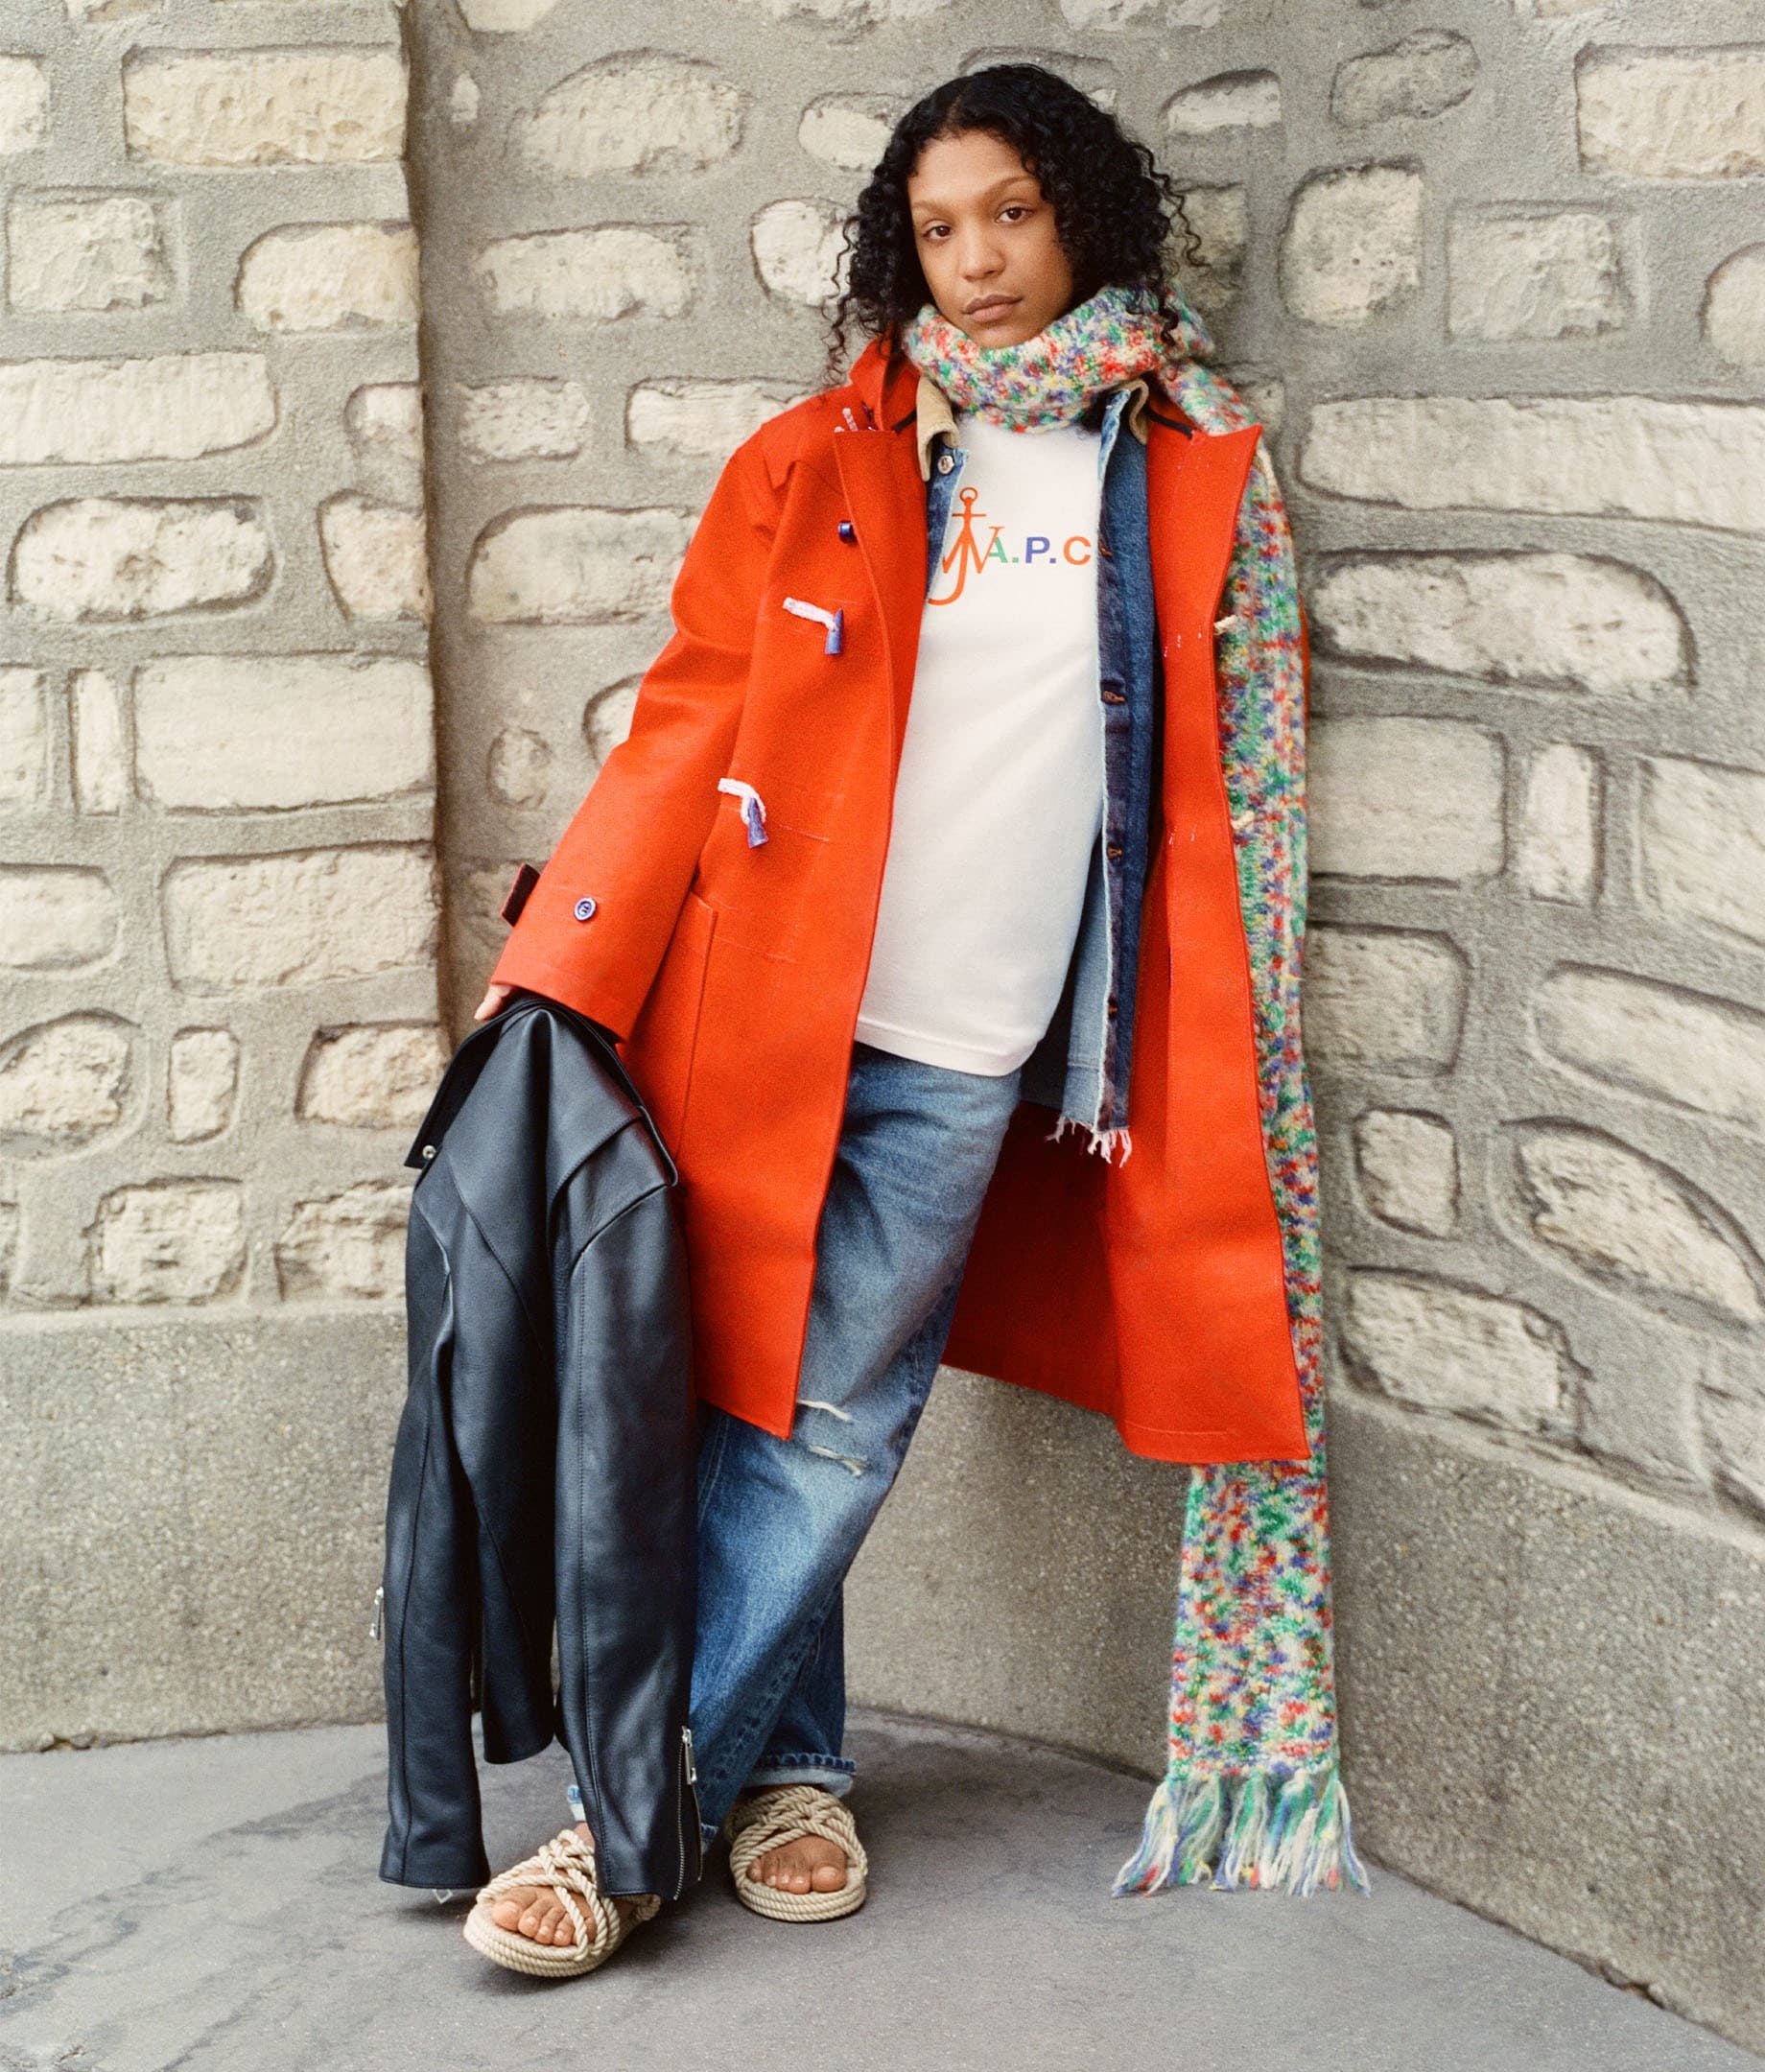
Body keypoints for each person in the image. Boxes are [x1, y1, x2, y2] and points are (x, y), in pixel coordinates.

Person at [463, 60, 1320, 1968]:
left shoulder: (1182, 464)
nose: (976, 259)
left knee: (835, 1416)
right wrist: (563, 969)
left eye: (1009, 213)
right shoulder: (818, 456)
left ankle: (628, 1820)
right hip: (762, 1008)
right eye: (937, 228)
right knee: (745, 1392)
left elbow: (1203, 791)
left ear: (1081, 211)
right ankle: (792, 1774)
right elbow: (691, 715)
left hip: (970, 1033)